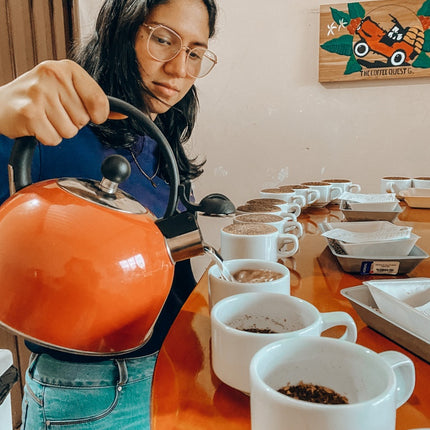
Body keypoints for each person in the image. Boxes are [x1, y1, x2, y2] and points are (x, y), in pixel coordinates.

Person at [0, 0, 218, 427]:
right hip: (92, 393)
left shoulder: (158, 139)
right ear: (120, 31)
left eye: (194, 52)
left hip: (170, 370)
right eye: (162, 40)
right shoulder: (49, 128)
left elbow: (172, 266)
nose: (179, 70)